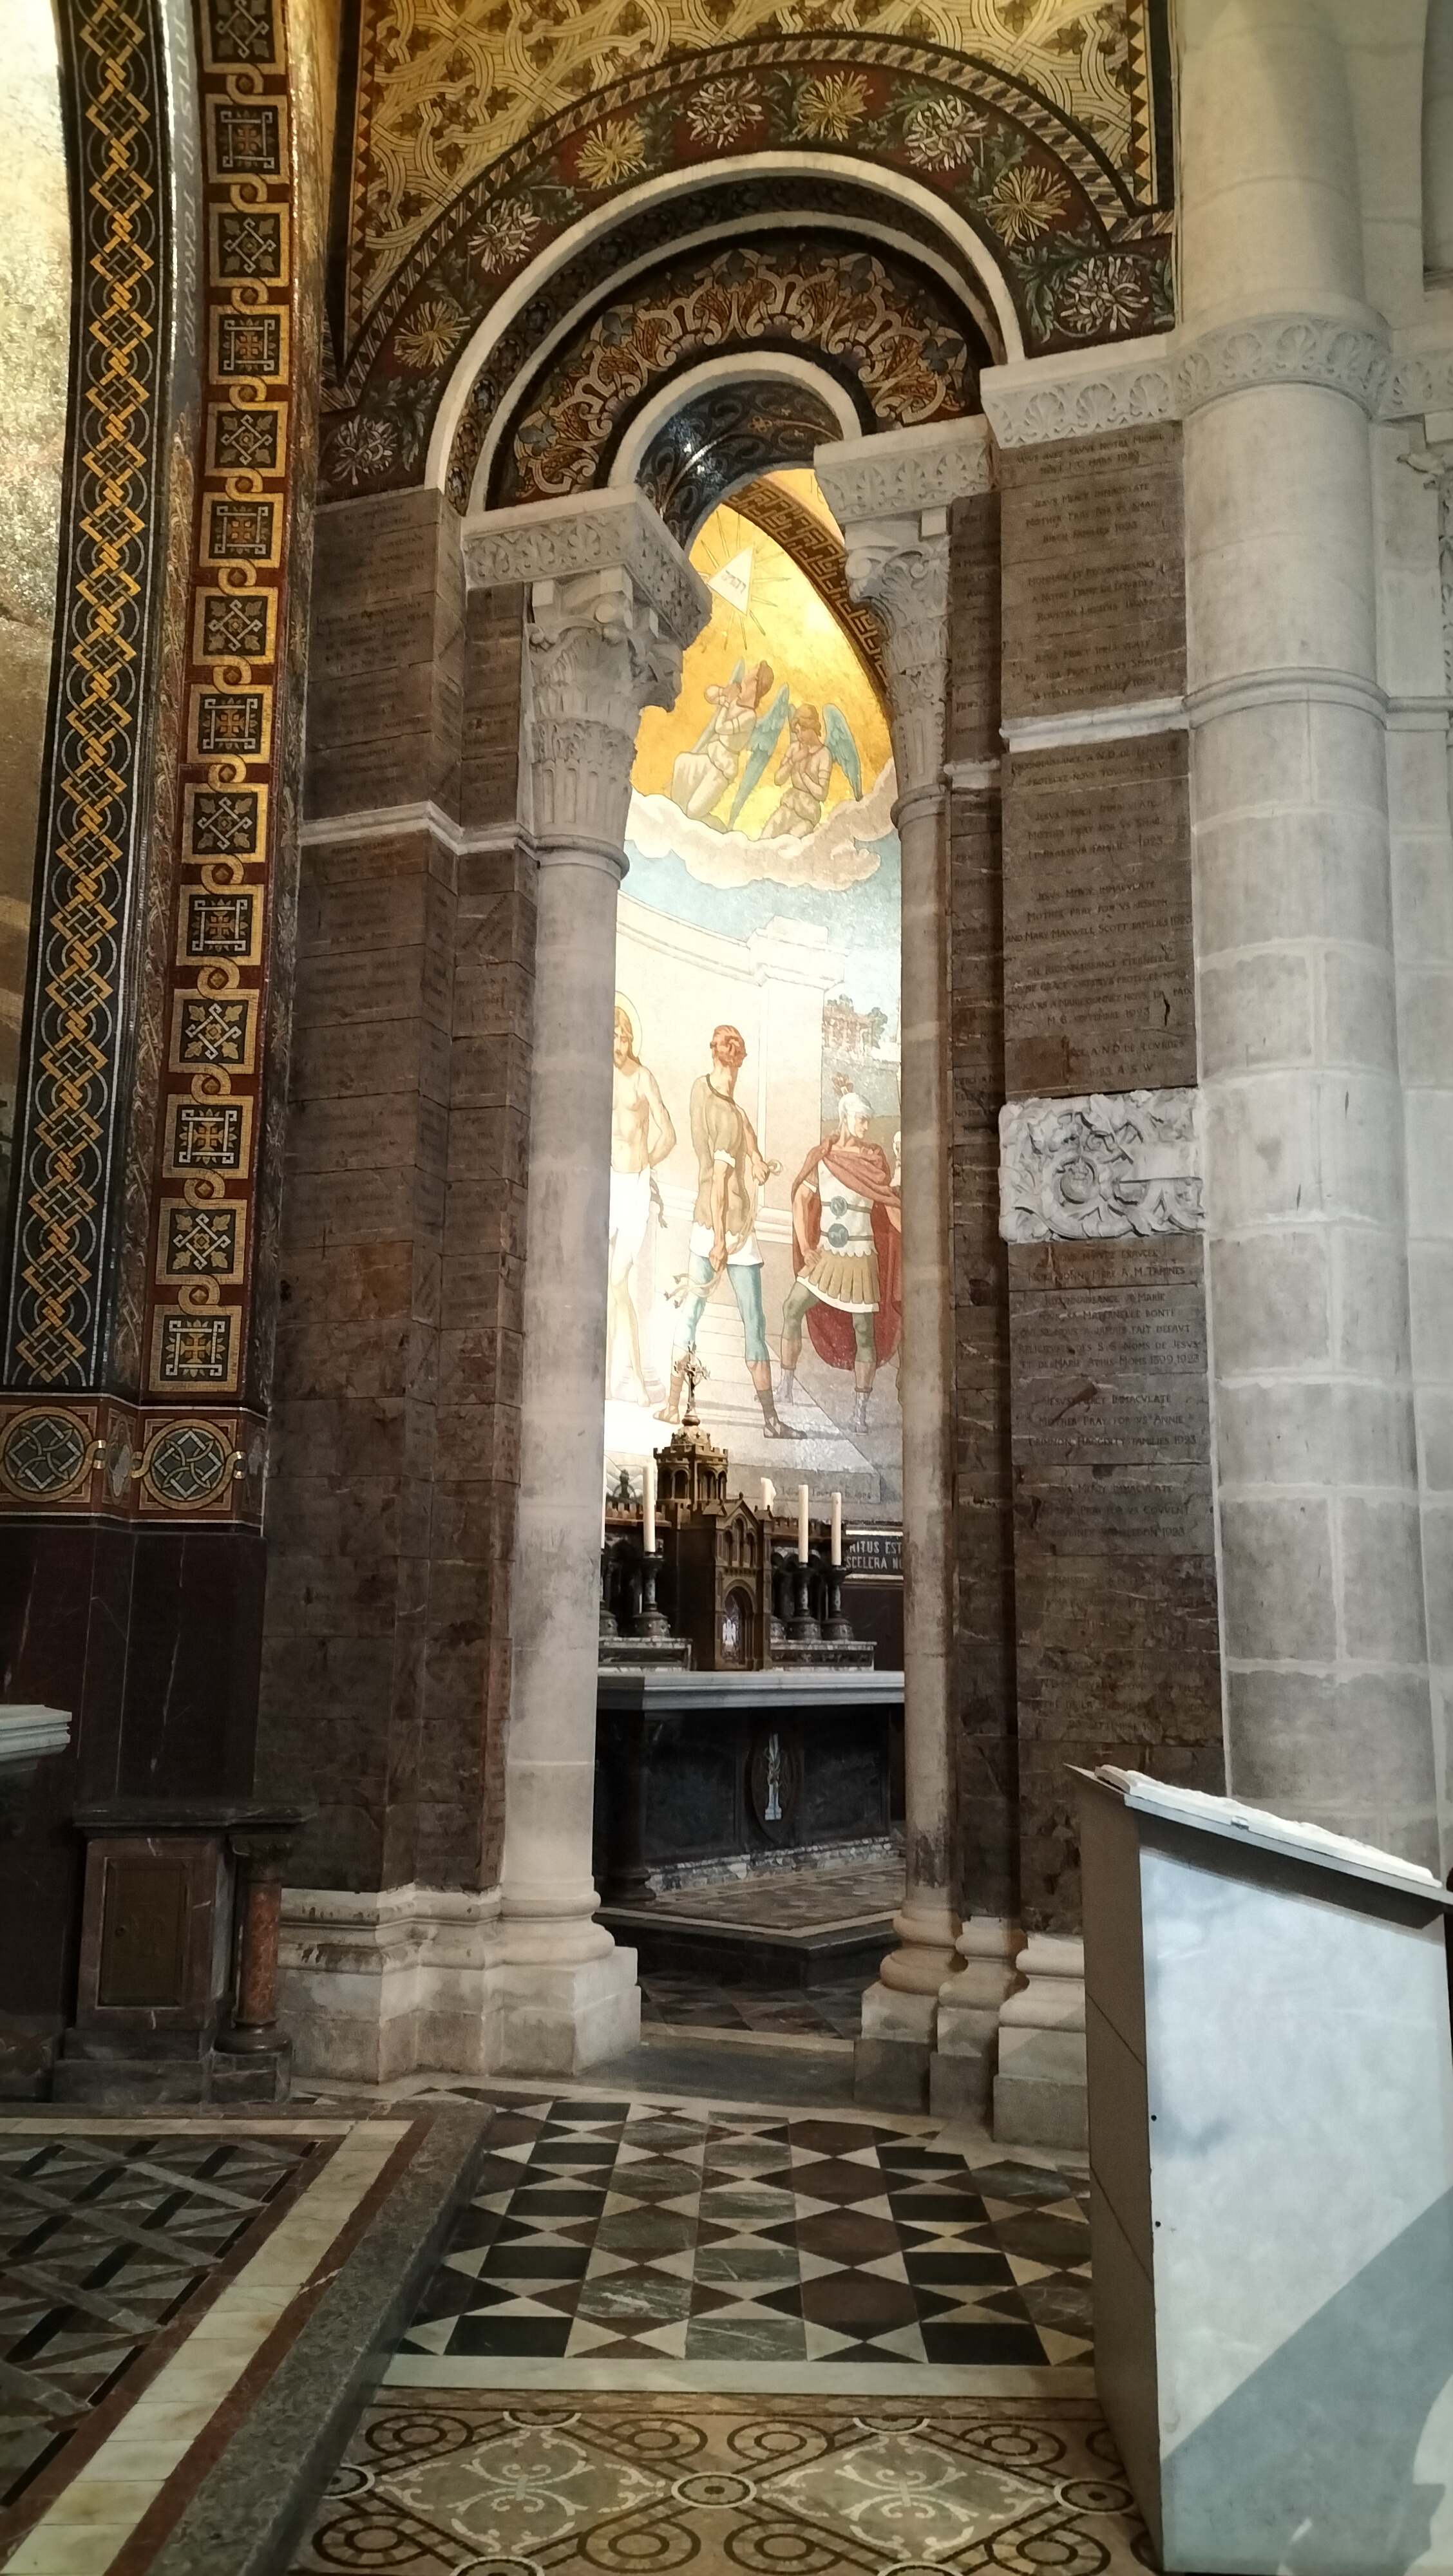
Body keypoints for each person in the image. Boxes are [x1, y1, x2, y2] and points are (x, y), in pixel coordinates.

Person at [659, 1023, 789, 1438]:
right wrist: (719, 1242)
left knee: (691, 1314)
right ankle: (770, 1421)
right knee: (754, 1322)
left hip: (704, 1220)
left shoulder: (702, 1090)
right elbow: (719, 1181)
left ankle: (671, 1405)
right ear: (739, 1061)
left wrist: (758, 1160)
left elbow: (744, 1126)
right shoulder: (727, 1117)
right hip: (728, 1228)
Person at [779, 1089, 901, 1432]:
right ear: (846, 1117)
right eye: (861, 1119)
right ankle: (785, 1387)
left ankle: (860, 1413)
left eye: (868, 1120)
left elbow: (891, 1209)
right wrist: (806, 1247)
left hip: (861, 1258)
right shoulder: (824, 1157)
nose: (866, 1126)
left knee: (864, 1333)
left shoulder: (872, 1163)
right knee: (792, 1307)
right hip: (826, 1256)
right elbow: (800, 1200)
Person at [608, 1004, 674, 1404]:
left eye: (624, 1038)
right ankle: (607, 1380)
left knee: (618, 1282)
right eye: (613, 1037)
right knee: (607, 1286)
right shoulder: (600, 1075)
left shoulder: (642, 1077)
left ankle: (635, 1377)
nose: (618, 1045)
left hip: (634, 1185)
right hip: (607, 1182)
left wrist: (646, 1163)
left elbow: (669, 1133)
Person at [670, 661, 774, 823]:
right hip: (710, 757)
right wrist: (723, 691)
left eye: (752, 673)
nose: (747, 673)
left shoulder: (750, 717)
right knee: (683, 763)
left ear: (756, 683)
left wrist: (726, 702)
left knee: (693, 812)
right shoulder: (735, 698)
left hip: (722, 770)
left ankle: (718, 829)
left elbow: (720, 728)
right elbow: (709, 695)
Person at [759, 702, 833, 839]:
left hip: (807, 815)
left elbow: (822, 794)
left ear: (813, 727)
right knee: (765, 838)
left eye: (803, 730)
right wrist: (793, 761)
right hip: (789, 807)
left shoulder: (824, 754)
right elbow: (778, 780)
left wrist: (803, 774)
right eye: (797, 732)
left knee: (789, 844)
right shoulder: (795, 748)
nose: (800, 736)